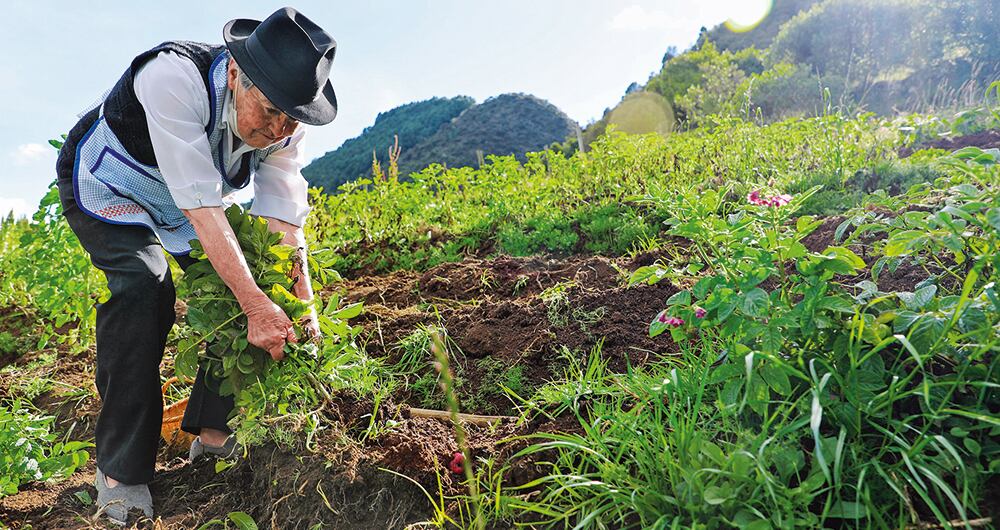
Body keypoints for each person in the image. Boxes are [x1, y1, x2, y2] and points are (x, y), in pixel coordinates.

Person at [54, 7, 337, 524]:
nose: (276, 129)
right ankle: (121, 471)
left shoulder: (285, 128)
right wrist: (256, 303)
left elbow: (281, 223)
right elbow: (202, 207)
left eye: (290, 119)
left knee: (239, 290)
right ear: (235, 74)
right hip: (110, 184)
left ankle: (212, 434)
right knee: (145, 286)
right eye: (269, 110)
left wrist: (300, 305)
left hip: (185, 205)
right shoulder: (171, 76)